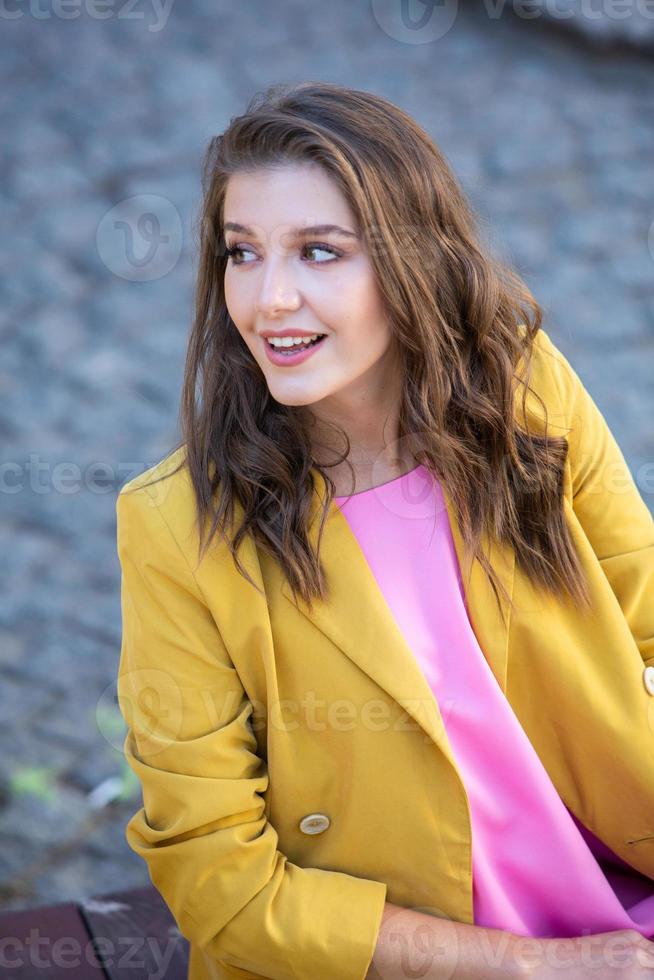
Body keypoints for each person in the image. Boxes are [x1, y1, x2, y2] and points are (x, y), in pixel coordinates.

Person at [115, 81, 654, 980]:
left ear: (416, 260)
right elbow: (223, 883)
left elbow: (647, 613)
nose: (268, 298)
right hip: (420, 960)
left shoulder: (526, 394)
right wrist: (538, 969)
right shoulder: (176, 525)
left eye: (319, 252)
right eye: (240, 254)